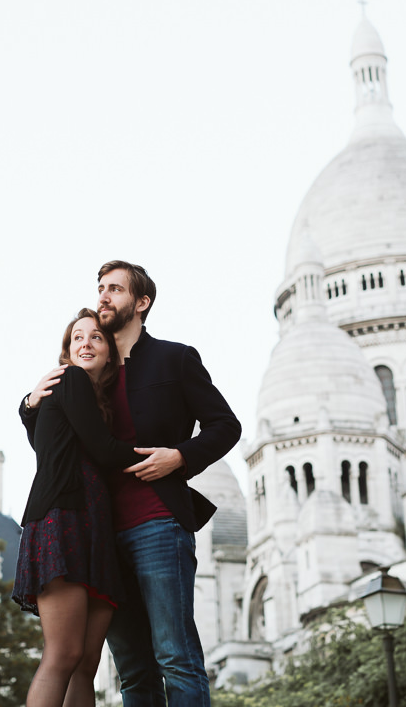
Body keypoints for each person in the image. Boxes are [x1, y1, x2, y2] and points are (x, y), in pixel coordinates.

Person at [21, 261, 241, 707]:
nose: (104, 296)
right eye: (100, 288)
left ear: (141, 303)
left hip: (156, 523)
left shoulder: (174, 359)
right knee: (132, 671)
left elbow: (226, 426)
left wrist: (180, 456)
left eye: (115, 289)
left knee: (175, 656)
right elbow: (58, 445)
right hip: (97, 535)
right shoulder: (87, 375)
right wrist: (28, 404)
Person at [13, 308, 146, 707]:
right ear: (67, 353)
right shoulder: (70, 380)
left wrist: (28, 408)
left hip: (94, 527)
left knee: (86, 663)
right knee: (64, 655)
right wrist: (167, 457)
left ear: (111, 351)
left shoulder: (91, 398)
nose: (86, 343)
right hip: (63, 519)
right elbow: (102, 451)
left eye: (96, 337)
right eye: (77, 338)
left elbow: (48, 440)